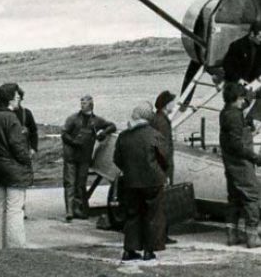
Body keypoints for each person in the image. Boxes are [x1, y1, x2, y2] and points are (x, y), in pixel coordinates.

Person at [114, 101, 167, 261]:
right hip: (152, 180)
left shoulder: (123, 136)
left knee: (132, 215)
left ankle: (129, 250)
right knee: (152, 215)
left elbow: (117, 159)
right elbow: (164, 158)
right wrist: (162, 173)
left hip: (130, 181)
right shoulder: (155, 135)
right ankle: (149, 250)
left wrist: (129, 170)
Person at [219, 82, 261, 248]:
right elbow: (237, 144)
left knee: (234, 197)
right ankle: (253, 237)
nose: (243, 101)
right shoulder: (234, 116)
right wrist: (254, 157)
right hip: (239, 162)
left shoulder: (226, 111)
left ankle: (231, 235)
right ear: (236, 98)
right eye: (241, 98)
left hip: (229, 161)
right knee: (252, 195)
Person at [0, 83, 33, 249]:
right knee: (15, 209)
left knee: (3, 208)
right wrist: (27, 160)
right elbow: (17, 146)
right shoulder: (11, 118)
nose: (19, 98)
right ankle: (16, 247)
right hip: (14, 168)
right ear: (9, 99)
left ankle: (2, 245)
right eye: (16, 96)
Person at [61, 94, 116, 221]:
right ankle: (69, 211)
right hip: (71, 156)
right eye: (81, 103)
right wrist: (74, 142)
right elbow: (64, 134)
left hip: (85, 157)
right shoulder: (72, 119)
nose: (82, 105)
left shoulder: (96, 121)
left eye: (84, 103)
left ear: (91, 105)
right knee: (70, 183)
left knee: (81, 184)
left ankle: (78, 209)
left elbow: (112, 126)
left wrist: (104, 132)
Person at [222, 20, 261, 124]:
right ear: (252, 34)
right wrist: (238, 79)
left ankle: (250, 119)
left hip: (250, 82)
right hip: (235, 83)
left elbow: (259, 67)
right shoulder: (237, 46)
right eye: (260, 37)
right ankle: (233, 118)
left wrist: (259, 80)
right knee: (243, 98)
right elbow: (227, 66)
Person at [152, 90, 177, 245]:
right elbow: (163, 147)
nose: (174, 104)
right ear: (166, 104)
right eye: (172, 102)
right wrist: (166, 170)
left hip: (159, 167)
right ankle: (161, 235)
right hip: (163, 168)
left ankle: (160, 234)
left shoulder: (157, 119)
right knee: (162, 202)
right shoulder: (162, 122)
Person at [14, 86, 38, 156]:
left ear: (21, 99)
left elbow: (34, 132)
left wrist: (33, 148)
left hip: (24, 151)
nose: (16, 100)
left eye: (18, 98)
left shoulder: (26, 113)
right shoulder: (4, 115)